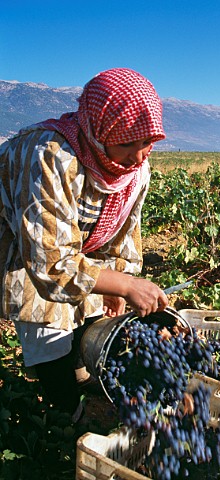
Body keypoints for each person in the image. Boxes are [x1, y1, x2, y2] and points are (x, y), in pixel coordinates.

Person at [0, 68, 169, 422]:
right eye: (127, 144)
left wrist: (117, 280)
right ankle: (66, 411)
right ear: (98, 130)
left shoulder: (135, 170)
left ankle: (77, 372)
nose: (139, 157)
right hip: (21, 237)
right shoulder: (50, 155)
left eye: (147, 143)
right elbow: (48, 262)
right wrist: (125, 284)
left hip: (68, 243)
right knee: (43, 317)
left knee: (89, 309)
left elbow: (123, 233)